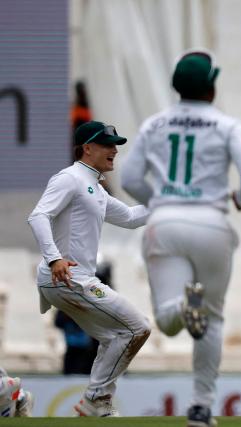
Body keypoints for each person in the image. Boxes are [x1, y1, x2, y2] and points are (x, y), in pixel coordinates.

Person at [121, 48, 241, 427]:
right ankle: (201, 407)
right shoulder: (227, 125)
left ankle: (184, 305)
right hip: (212, 224)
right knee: (212, 319)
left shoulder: (154, 125)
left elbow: (129, 179)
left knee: (169, 323)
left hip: (165, 222)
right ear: (211, 88)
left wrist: (164, 204)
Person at [28, 121, 151, 417]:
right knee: (138, 327)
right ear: (87, 148)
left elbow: (133, 217)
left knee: (116, 337)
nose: (114, 151)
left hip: (71, 279)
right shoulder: (69, 178)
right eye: (107, 145)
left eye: (116, 145)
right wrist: (55, 258)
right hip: (67, 277)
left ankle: (97, 403)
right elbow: (38, 215)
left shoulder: (94, 188)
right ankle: (96, 398)